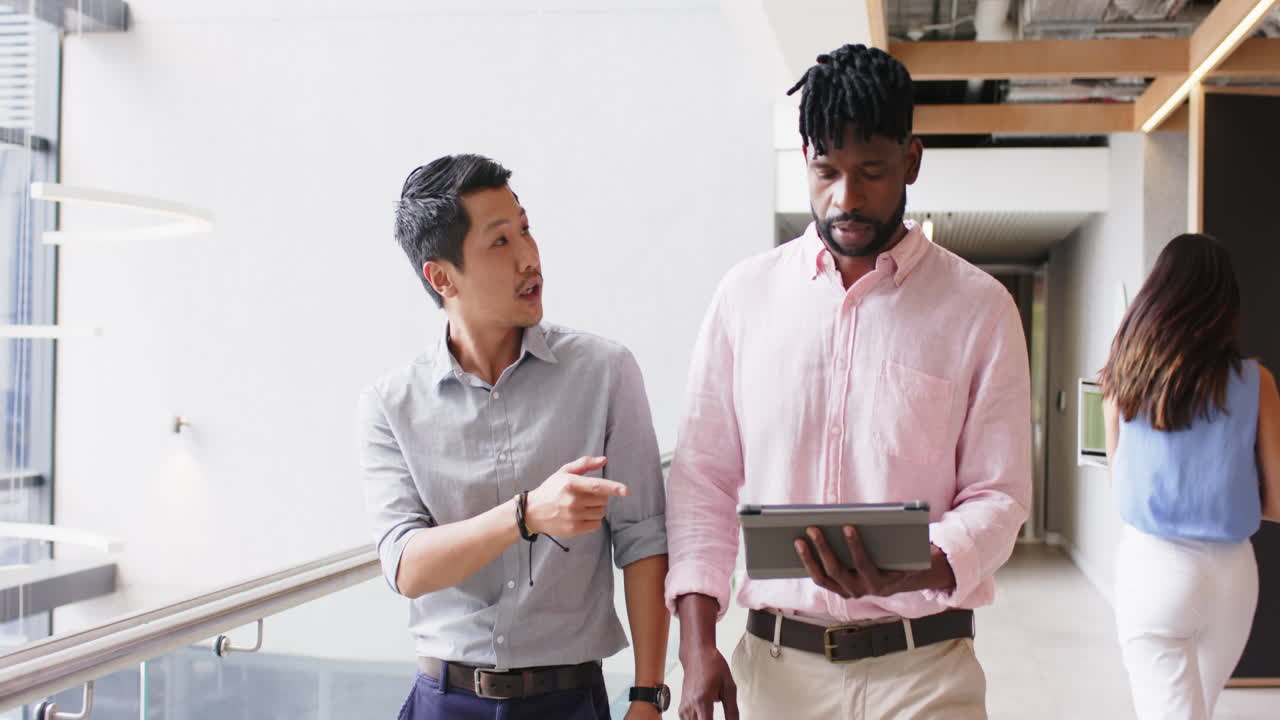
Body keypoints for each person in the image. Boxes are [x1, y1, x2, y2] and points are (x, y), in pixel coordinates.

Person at [663, 43, 1031, 720]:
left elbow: (1000, 494)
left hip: (926, 677)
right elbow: (702, 480)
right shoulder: (745, 298)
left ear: (911, 162)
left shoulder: (978, 309)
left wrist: (922, 564)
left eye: (872, 172)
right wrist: (695, 647)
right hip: (775, 680)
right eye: (826, 171)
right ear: (804, 159)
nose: (846, 199)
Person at [359, 154, 671, 720]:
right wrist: (525, 514)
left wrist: (648, 697)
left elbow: (644, 539)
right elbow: (405, 565)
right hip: (443, 701)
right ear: (442, 277)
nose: (530, 258)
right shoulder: (391, 405)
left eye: (525, 229)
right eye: (500, 242)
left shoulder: (606, 372)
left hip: (570, 700)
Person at [1099, 233, 1280, 720]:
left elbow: (1121, 486)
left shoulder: (1120, 378)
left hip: (1151, 567)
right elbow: (1277, 502)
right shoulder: (1256, 382)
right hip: (1231, 577)